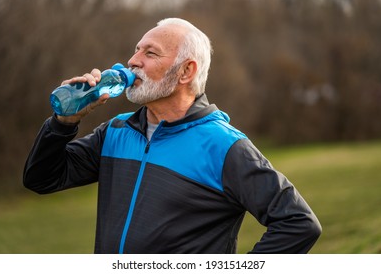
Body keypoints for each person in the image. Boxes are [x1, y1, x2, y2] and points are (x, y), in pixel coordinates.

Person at [23, 17, 321, 254]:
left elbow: (298, 223)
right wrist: (63, 123)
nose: (133, 61)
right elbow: (42, 178)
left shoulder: (224, 145)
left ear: (185, 72)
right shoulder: (117, 130)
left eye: (149, 53)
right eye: (137, 50)